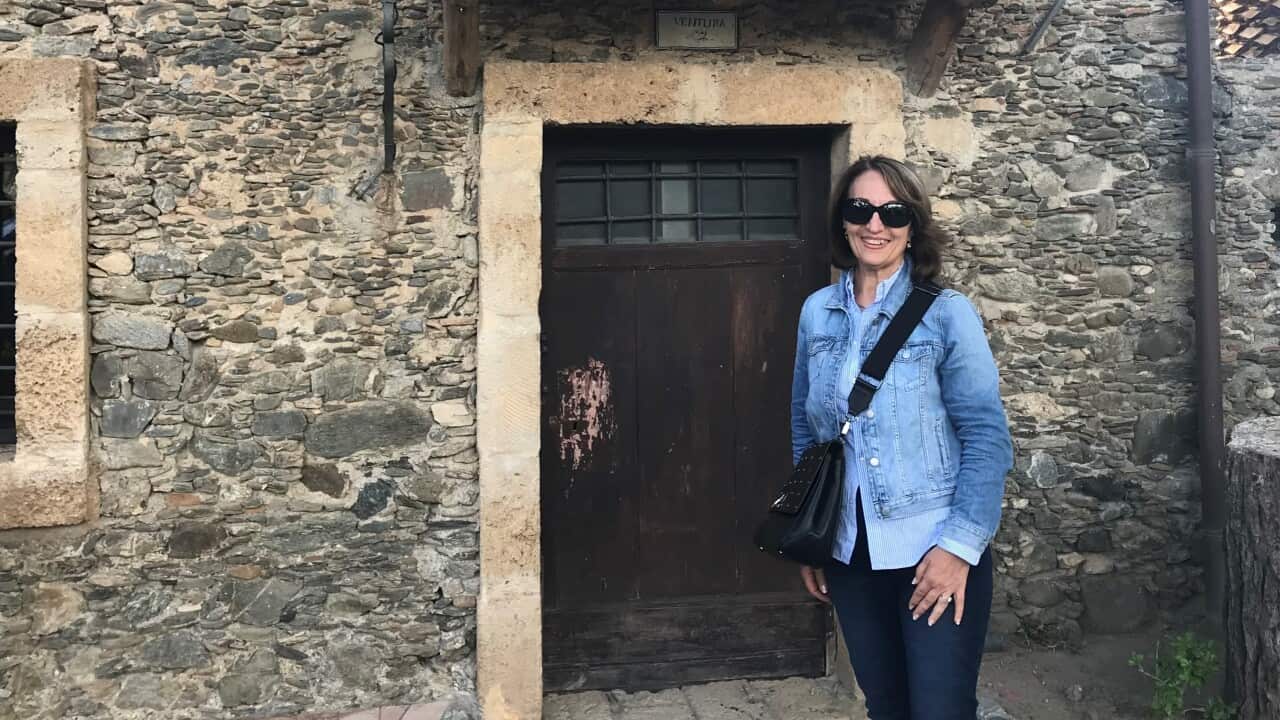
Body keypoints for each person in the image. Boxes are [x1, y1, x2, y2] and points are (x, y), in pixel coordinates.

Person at [790, 155, 1013, 720]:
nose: (875, 224)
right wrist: (807, 532)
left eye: (892, 211)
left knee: (939, 708)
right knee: (886, 707)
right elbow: (807, 429)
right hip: (849, 552)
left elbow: (986, 436)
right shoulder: (817, 314)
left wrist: (959, 549)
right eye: (860, 208)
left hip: (932, 550)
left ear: (913, 225)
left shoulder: (946, 315)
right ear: (843, 219)